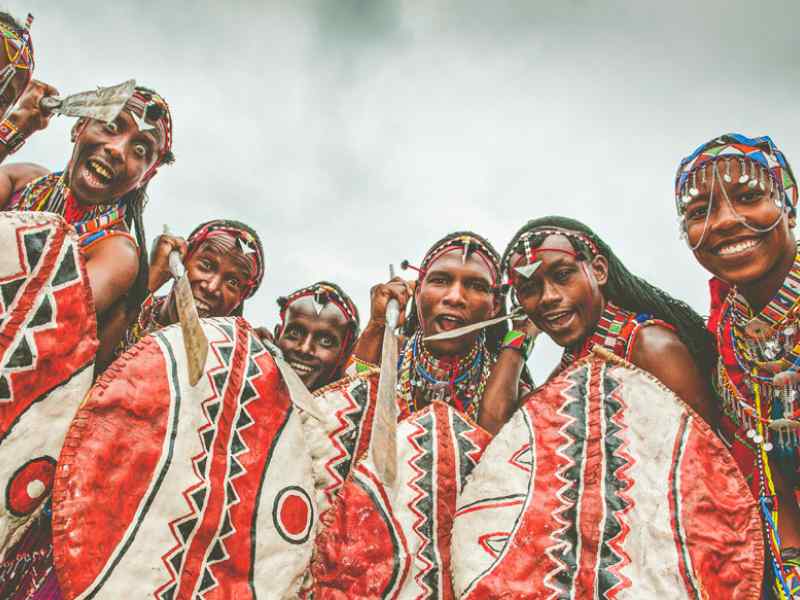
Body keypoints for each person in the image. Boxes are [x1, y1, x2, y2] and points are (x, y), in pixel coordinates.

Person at [675, 133, 800, 598]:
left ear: (788, 206)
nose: (724, 222)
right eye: (697, 212)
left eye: (749, 197)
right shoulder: (725, 327)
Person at [0, 84, 174, 367]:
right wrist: (15, 125)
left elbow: (38, 327)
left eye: (139, 149)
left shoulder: (117, 253)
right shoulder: (23, 180)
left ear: (145, 177)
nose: (117, 150)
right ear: (78, 127)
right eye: (110, 126)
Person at [499, 216, 717, 428]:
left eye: (563, 275)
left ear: (599, 271)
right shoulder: (576, 359)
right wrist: (520, 335)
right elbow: (502, 435)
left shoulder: (648, 345)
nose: (548, 297)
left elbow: (706, 453)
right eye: (529, 289)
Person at [352, 231, 534, 430]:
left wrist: (521, 334)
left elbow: (499, 444)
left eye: (476, 286)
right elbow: (353, 403)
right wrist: (377, 325)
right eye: (440, 280)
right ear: (418, 292)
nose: (455, 297)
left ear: (495, 305)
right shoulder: (387, 353)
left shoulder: (508, 384)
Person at [119, 219, 265, 355]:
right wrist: (154, 275)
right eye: (206, 265)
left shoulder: (226, 365)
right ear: (183, 258)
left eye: (233, 282)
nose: (211, 288)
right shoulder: (121, 301)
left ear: (241, 298)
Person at [270, 281, 360, 391]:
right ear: (277, 335)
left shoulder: (362, 403)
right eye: (294, 333)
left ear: (345, 354)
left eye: (325, 341)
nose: (304, 349)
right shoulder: (244, 376)